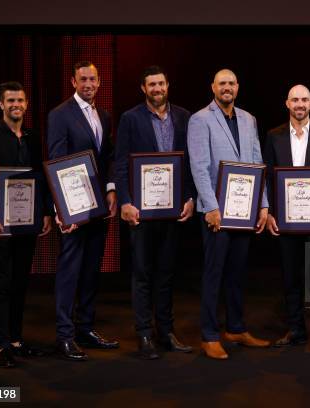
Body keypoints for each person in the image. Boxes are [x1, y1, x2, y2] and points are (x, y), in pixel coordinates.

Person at [187, 69, 269, 360]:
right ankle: (209, 335)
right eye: (222, 83)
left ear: (238, 87)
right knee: (214, 273)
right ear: (213, 87)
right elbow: (199, 165)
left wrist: (263, 204)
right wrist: (210, 207)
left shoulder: (249, 119)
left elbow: (258, 162)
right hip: (217, 212)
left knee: (237, 272)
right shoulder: (200, 119)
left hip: (244, 210)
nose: (227, 87)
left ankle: (235, 328)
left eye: (232, 83)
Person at [115, 66, 196, 359]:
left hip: (173, 211)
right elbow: (121, 163)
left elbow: (190, 164)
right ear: (143, 88)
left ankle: (166, 332)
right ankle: (144, 334)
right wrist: (124, 201)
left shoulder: (184, 117)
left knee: (166, 273)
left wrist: (190, 198)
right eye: (152, 84)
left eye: (161, 83)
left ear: (167, 85)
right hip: (141, 211)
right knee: (142, 274)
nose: (157, 88)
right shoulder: (130, 118)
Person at [0, 81, 53, 367]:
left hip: (26, 223)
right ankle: (2, 345)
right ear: (1, 104)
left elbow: (39, 178)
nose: (16, 105)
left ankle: (16, 340)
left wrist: (45, 212)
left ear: (26, 104)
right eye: (10, 101)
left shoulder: (32, 136)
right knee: (1, 283)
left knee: (20, 282)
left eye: (20, 100)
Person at [47, 61, 119, 361]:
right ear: (73, 81)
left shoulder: (103, 115)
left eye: (93, 79)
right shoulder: (59, 114)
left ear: (99, 82)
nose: (88, 83)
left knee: (91, 268)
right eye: (83, 79)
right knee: (69, 271)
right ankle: (64, 335)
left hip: (98, 207)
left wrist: (112, 188)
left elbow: (109, 157)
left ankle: (85, 328)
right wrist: (62, 210)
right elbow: (56, 160)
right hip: (74, 209)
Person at [263, 85, 310, 353]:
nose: (299, 104)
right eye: (295, 99)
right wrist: (269, 211)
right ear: (287, 103)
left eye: (304, 99)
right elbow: (269, 178)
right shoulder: (273, 136)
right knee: (290, 277)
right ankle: (296, 330)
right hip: (285, 220)